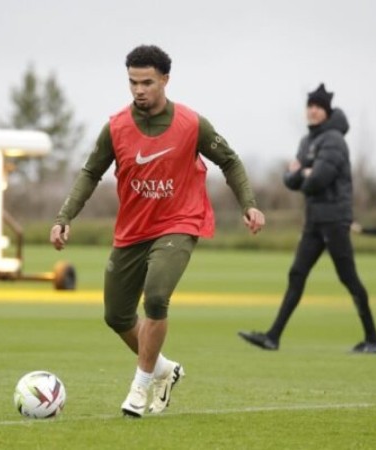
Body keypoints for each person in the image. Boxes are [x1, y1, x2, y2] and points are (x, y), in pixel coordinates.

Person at [50, 45, 265, 418]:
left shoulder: (191, 124)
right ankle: (164, 369)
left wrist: (248, 203)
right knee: (116, 316)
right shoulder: (115, 127)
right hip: (134, 231)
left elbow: (229, 161)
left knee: (156, 296)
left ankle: (141, 387)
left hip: (179, 223)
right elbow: (89, 173)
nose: (139, 90)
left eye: (147, 82)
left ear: (165, 79)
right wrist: (64, 216)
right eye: (133, 82)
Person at [238, 83, 376, 354]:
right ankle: (272, 337)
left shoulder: (334, 141)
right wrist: (303, 172)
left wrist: (302, 172)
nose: (313, 111)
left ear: (327, 112)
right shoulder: (308, 141)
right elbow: (289, 179)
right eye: (310, 106)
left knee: (348, 278)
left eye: (318, 107)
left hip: (335, 219)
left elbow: (318, 179)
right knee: (297, 274)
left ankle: (373, 338)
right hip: (314, 220)